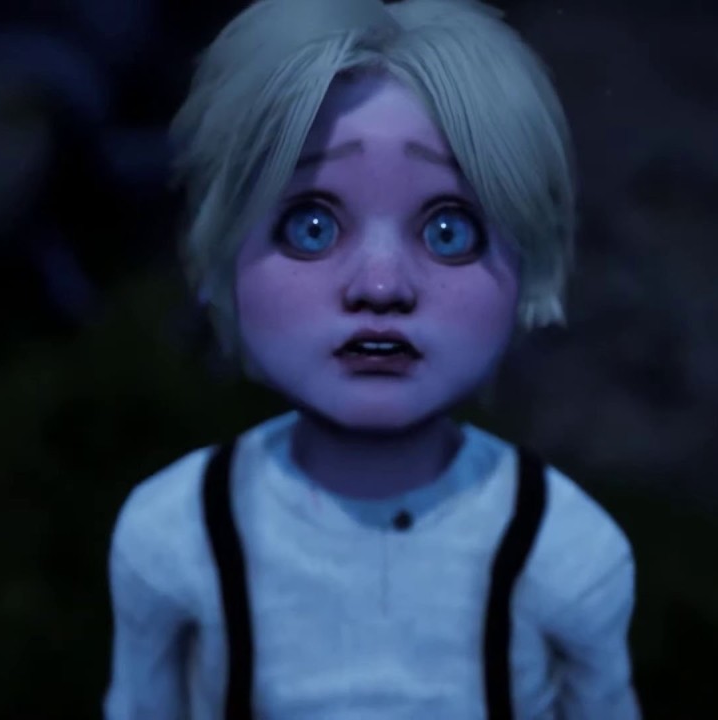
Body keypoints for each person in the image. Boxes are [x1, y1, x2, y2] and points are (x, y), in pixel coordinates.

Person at [104, 1, 640, 717]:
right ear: (221, 256)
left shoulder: (565, 553)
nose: (381, 287)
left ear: (528, 263)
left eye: (449, 231)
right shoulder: (174, 537)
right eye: (311, 226)